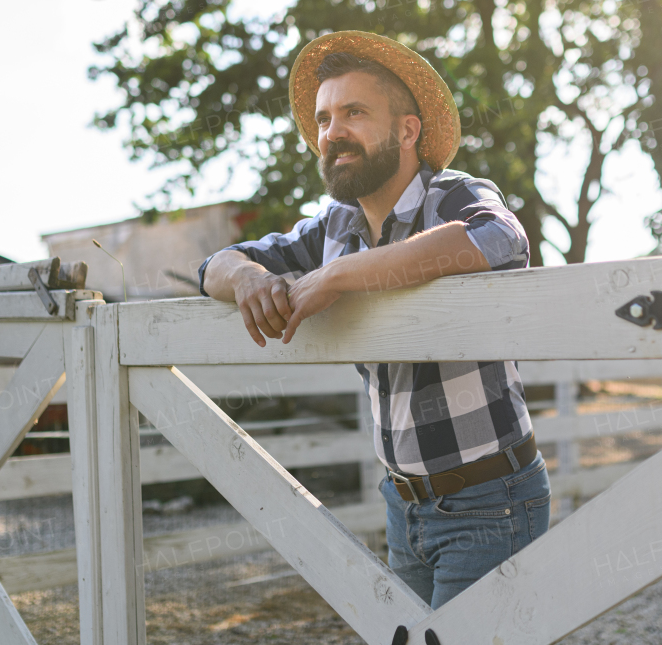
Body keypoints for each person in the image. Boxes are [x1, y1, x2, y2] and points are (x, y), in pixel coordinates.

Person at [199, 30, 549, 609]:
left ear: (407, 130)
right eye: (323, 119)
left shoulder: (453, 196)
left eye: (353, 112)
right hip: (403, 503)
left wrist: (341, 276)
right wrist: (247, 280)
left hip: (491, 497)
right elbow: (215, 264)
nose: (332, 132)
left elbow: (501, 237)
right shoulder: (333, 226)